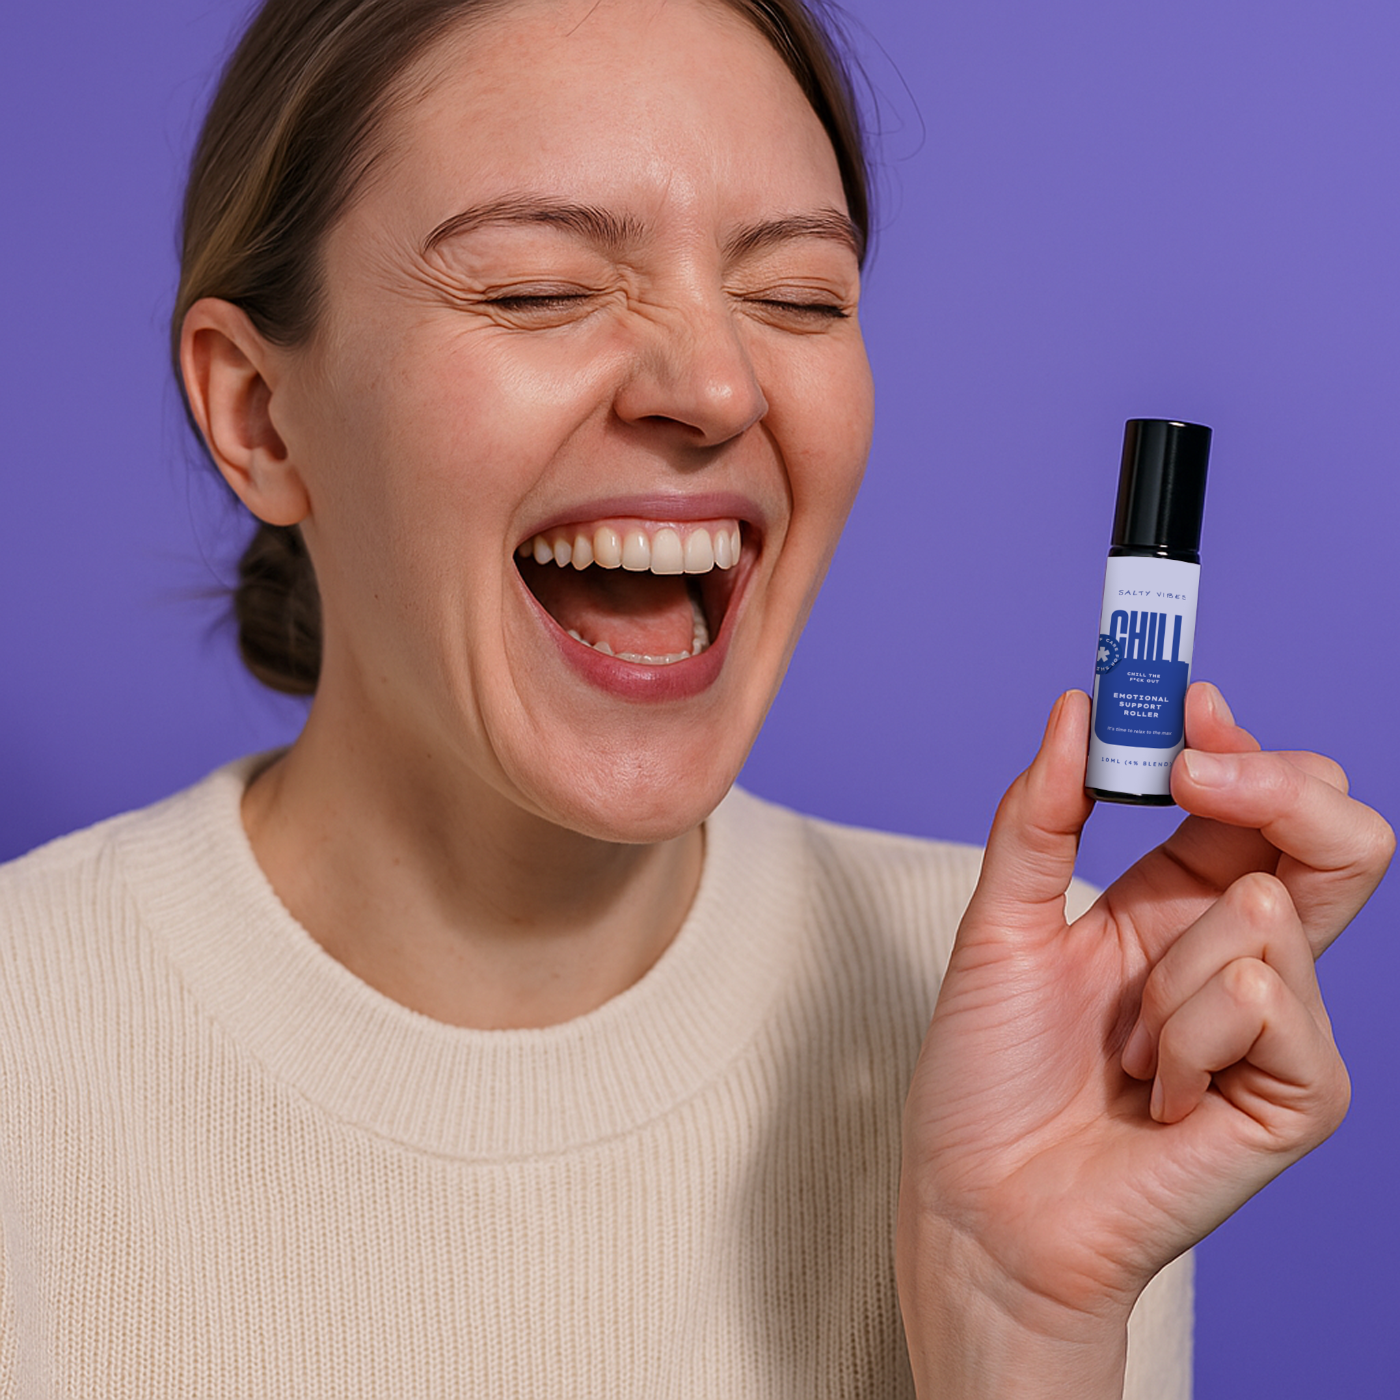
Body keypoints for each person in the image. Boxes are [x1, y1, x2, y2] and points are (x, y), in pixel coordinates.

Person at [0, 0, 1390, 1395]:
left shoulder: (1041, 1031)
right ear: (257, 413)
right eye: (538, 289)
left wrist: (1019, 1325)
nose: (719, 386)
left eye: (798, 298)